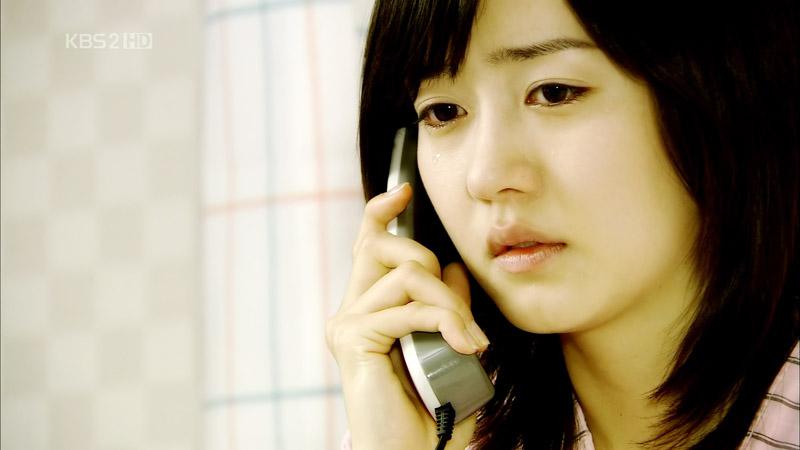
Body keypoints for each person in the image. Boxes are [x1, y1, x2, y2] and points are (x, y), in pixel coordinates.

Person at [326, 0, 800, 448]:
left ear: (720, 96)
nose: (487, 177)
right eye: (443, 112)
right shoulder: (444, 432)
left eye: (554, 93)